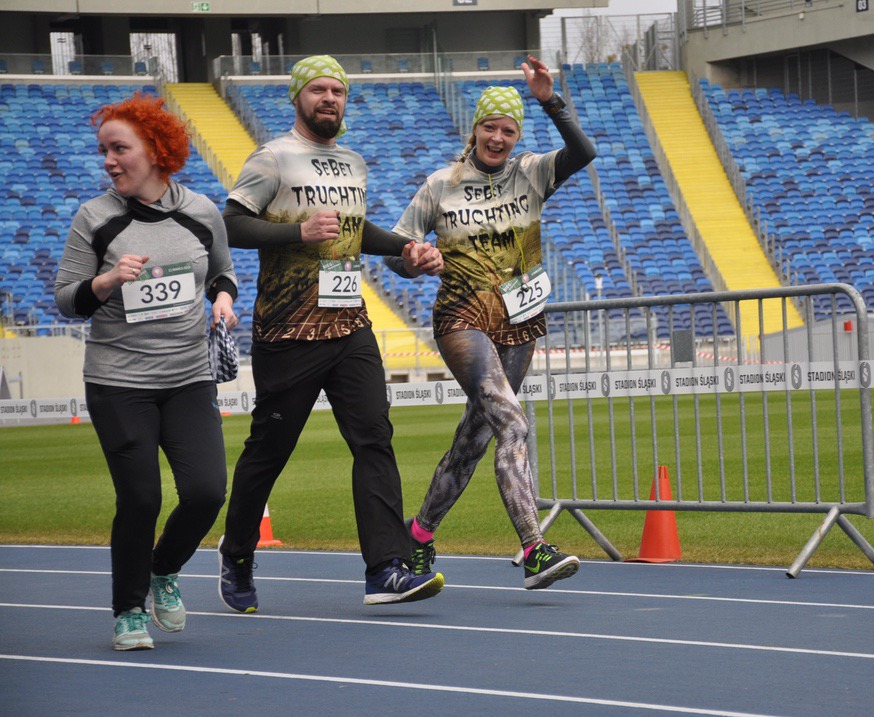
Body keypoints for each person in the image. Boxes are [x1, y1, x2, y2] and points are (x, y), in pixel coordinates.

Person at [217, 55, 445, 612]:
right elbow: (230, 223)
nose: (329, 99)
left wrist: (408, 248)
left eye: (337, 91)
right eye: (318, 90)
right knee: (269, 451)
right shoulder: (272, 157)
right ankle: (238, 553)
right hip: (288, 331)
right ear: (297, 97)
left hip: (348, 325)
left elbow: (354, 231)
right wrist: (297, 231)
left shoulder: (352, 163)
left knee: (374, 439)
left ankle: (385, 569)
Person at [390, 56, 596, 589]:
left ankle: (417, 536)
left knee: (474, 441)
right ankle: (534, 548)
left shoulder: (532, 172)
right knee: (514, 424)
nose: (498, 138)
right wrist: (413, 259)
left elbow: (584, 152)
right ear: (475, 128)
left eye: (508, 130)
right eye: (490, 127)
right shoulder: (441, 184)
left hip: (519, 321)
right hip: (462, 318)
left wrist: (551, 100)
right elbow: (395, 251)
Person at [54, 93, 238, 650]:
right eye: (103, 151)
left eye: (119, 149)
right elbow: (67, 299)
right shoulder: (95, 218)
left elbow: (222, 273)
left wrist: (223, 299)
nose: (109, 161)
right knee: (140, 499)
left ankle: (164, 569)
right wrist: (106, 282)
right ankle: (129, 610)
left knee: (207, 492)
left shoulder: (201, 211)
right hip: (119, 382)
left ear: (156, 150)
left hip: (188, 377)